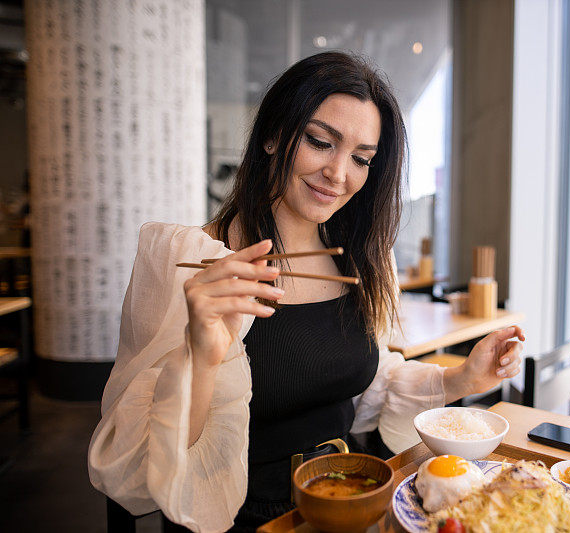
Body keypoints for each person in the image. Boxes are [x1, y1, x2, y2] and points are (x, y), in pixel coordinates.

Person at [88, 52, 525, 533]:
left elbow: (365, 386)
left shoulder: (358, 260)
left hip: (349, 500)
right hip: (239, 518)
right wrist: (201, 356)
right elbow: (137, 467)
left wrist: (462, 378)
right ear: (274, 135)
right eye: (321, 142)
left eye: (361, 159)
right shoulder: (190, 261)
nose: (339, 174)